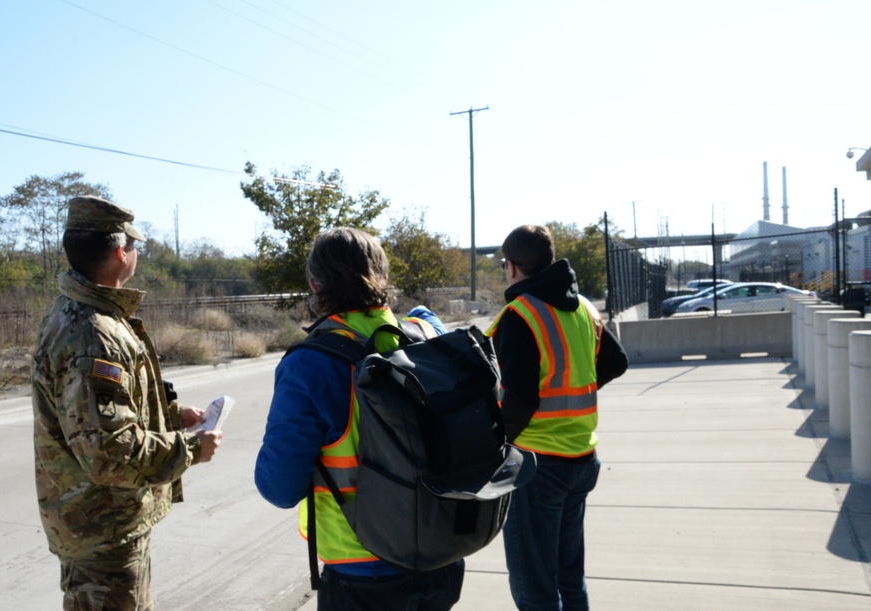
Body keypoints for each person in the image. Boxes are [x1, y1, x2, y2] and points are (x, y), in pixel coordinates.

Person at [255, 227, 464, 611]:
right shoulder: (424, 337)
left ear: (315, 284)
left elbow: (279, 487)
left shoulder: (310, 365)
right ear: (383, 277)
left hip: (361, 573)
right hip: (441, 559)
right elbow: (428, 318)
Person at [31, 195, 222, 611]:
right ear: (121, 253)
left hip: (101, 524)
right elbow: (109, 453)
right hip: (103, 531)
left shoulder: (78, 312)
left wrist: (171, 417)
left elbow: (89, 416)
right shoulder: (93, 333)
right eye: (133, 246)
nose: (134, 254)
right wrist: (190, 449)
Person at [485, 224, 628, 611]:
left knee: (535, 588)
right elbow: (617, 362)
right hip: (582, 459)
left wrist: (495, 447)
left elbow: (521, 398)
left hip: (537, 466)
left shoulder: (520, 315)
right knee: (569, 577)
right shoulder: (584, 308)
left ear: (512, 267)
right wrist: (575, 388)